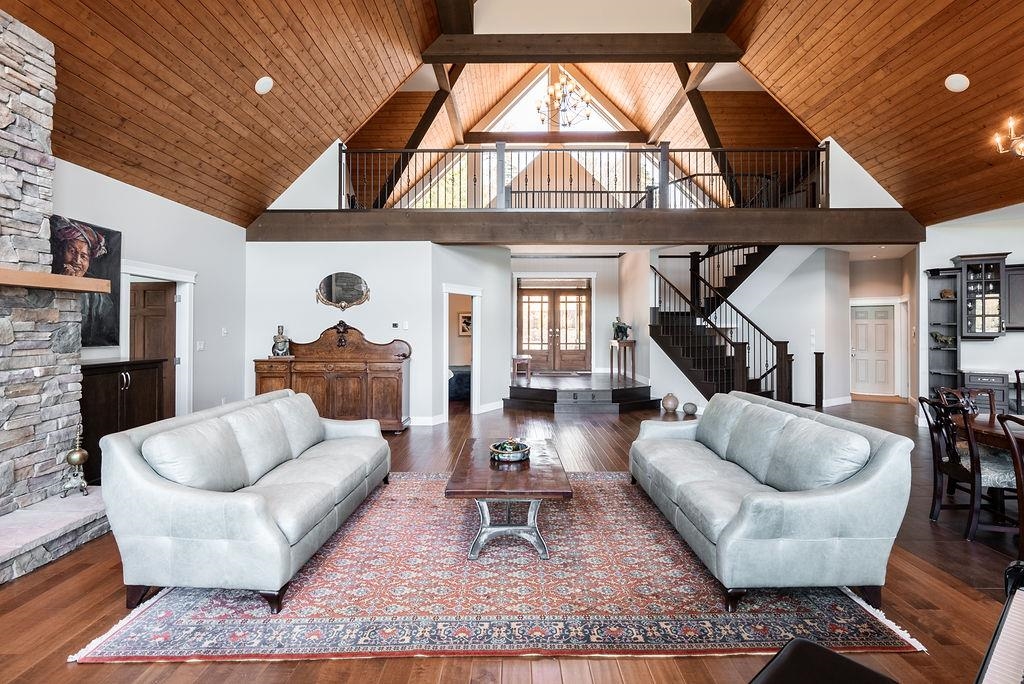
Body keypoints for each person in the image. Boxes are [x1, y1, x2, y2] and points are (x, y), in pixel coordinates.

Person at [51, 216, 118, 347]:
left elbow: (108, 334)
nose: (77, 260)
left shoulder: (100, 296)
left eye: (83, 256)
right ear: (60, 251)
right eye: (71, 251)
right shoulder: (47, 280)